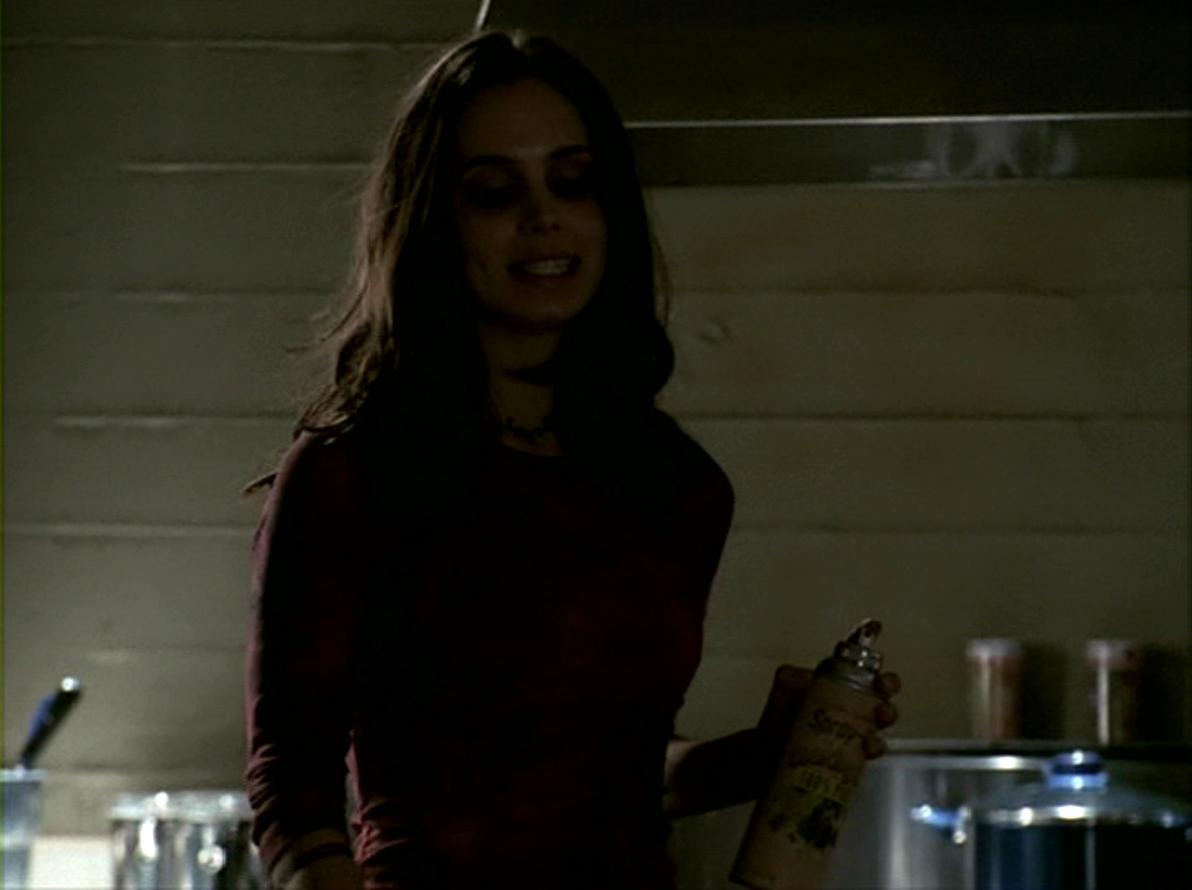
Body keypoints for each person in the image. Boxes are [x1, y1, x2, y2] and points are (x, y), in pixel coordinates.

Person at [244, 29, 899, 890]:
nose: (543, 216)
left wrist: (764, 755)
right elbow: (292, 793)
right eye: (493, 191)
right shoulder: (354, 471)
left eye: (574, 180)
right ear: (433, 221)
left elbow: (615, 775)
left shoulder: (673, 483)